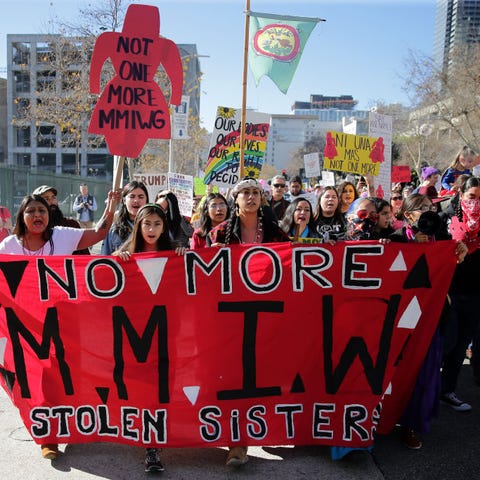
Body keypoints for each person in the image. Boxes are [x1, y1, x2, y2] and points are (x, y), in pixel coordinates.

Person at [0, 190, 120, 460]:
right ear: (22, 217)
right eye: (30, 211)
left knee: (67, 377)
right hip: (28, 328)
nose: (37, 215)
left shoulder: (62, 236)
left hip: (66, 324)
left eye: (41, 210)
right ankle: (48, 437)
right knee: (38, 380)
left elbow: (100, 233)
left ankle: (74, 426)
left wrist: (111, 206)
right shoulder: (9, 246)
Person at [207, 177, 289, 467]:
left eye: (256, 193)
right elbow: (205, 273)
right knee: (235, 379)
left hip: (267, 317)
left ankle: (265, 428)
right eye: (246, 193)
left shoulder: (277, 234)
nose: (251, 197)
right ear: (236, 199)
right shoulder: (219, 233)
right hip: (229, 317)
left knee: (263, 377)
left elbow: (294, 262)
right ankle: (237, 443)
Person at [112, 203, 186, 473]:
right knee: (142, 385)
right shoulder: (125, 255)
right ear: (138, 227)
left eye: (157, 224)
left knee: (163, 384)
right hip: (136, 332)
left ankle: (156, 438)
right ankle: (149, 441)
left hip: (168, 330)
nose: (152, 229)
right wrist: (118, 260)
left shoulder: (175, 253)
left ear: (164, 226)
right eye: (147, 224)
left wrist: (184, 257)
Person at [389, 194, 467, 449]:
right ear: (407, 215)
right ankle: (387, 418)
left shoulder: (443, 241)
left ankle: (412, 424)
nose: (424, 211)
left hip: (431, 319)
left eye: (428, 207)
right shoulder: (397, 239)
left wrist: (460, 250)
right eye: (418, 208)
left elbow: (455, 267)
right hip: (399, 321)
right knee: (396, 371)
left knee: (425, 371)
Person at [440, 175, 480, 411]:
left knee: (461, 344)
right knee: (448, 342)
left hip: (476, 294)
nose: (476, 202)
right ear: (461, 195)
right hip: (449, 292)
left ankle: (448, 391)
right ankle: (430, 388)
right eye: (471, 197)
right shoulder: (447, 218)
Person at [32, 185, 89, 254]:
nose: (52, 201)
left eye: (53, 197)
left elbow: (84, 257)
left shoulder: (71, 225)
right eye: (46, 199)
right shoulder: (33, 229)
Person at [101, 181, 148, 255]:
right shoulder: (113, 230)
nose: (136, 200)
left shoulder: (153, 227)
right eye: (132, 197)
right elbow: (105, 260)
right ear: (124, 200)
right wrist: (117, 256)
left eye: (141, 197)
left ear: (146, 200)